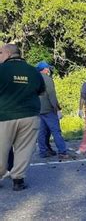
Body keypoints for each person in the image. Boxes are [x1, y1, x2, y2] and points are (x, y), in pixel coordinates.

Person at [0, 44, 45, 191]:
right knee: (24, 148)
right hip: (30, 115)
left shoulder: (1, 69)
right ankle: (18, 180)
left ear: (7, 53)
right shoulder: (33, 71)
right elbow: (41, 91)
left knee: (1, 148)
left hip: (5, 115)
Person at [36, 61, 70, 159]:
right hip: (48, 109)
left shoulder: (33, 79)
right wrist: (58, 109)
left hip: (37, 109)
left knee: (41, 132)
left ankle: (43, 151)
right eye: (48, 68)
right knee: (56, 131)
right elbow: (52, 95)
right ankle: (62, 152)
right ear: (45, 69)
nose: (49, 70)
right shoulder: (48, 79)